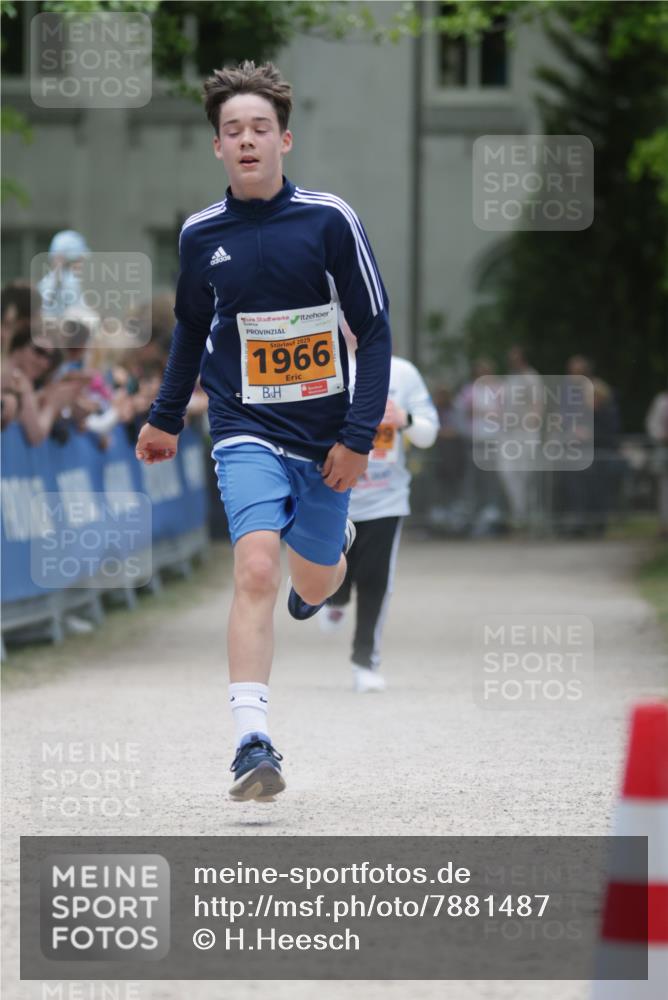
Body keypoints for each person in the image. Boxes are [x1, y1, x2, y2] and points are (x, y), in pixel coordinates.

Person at [135, 62, 391, 801]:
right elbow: (188, 330)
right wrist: (163, 418)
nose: (246, 141)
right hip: (244, 426)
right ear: (217, 147)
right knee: (254, 568)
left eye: (258, 129)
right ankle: (252, 742)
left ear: (284, 139)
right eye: (231, 131)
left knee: (314, 578)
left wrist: (355, 433)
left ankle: (330, 553)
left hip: (326, 439)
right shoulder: (199, 235)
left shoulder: (328, 220)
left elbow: (373, 334)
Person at [319, 336, 438, 692]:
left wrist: (404, 419)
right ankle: (335, 599)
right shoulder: (325, 366)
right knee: (335, 578)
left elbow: (429, 433)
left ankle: (364, 662)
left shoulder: (402, 373)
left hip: (386, 499)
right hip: (333, 496)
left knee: (375, 582)